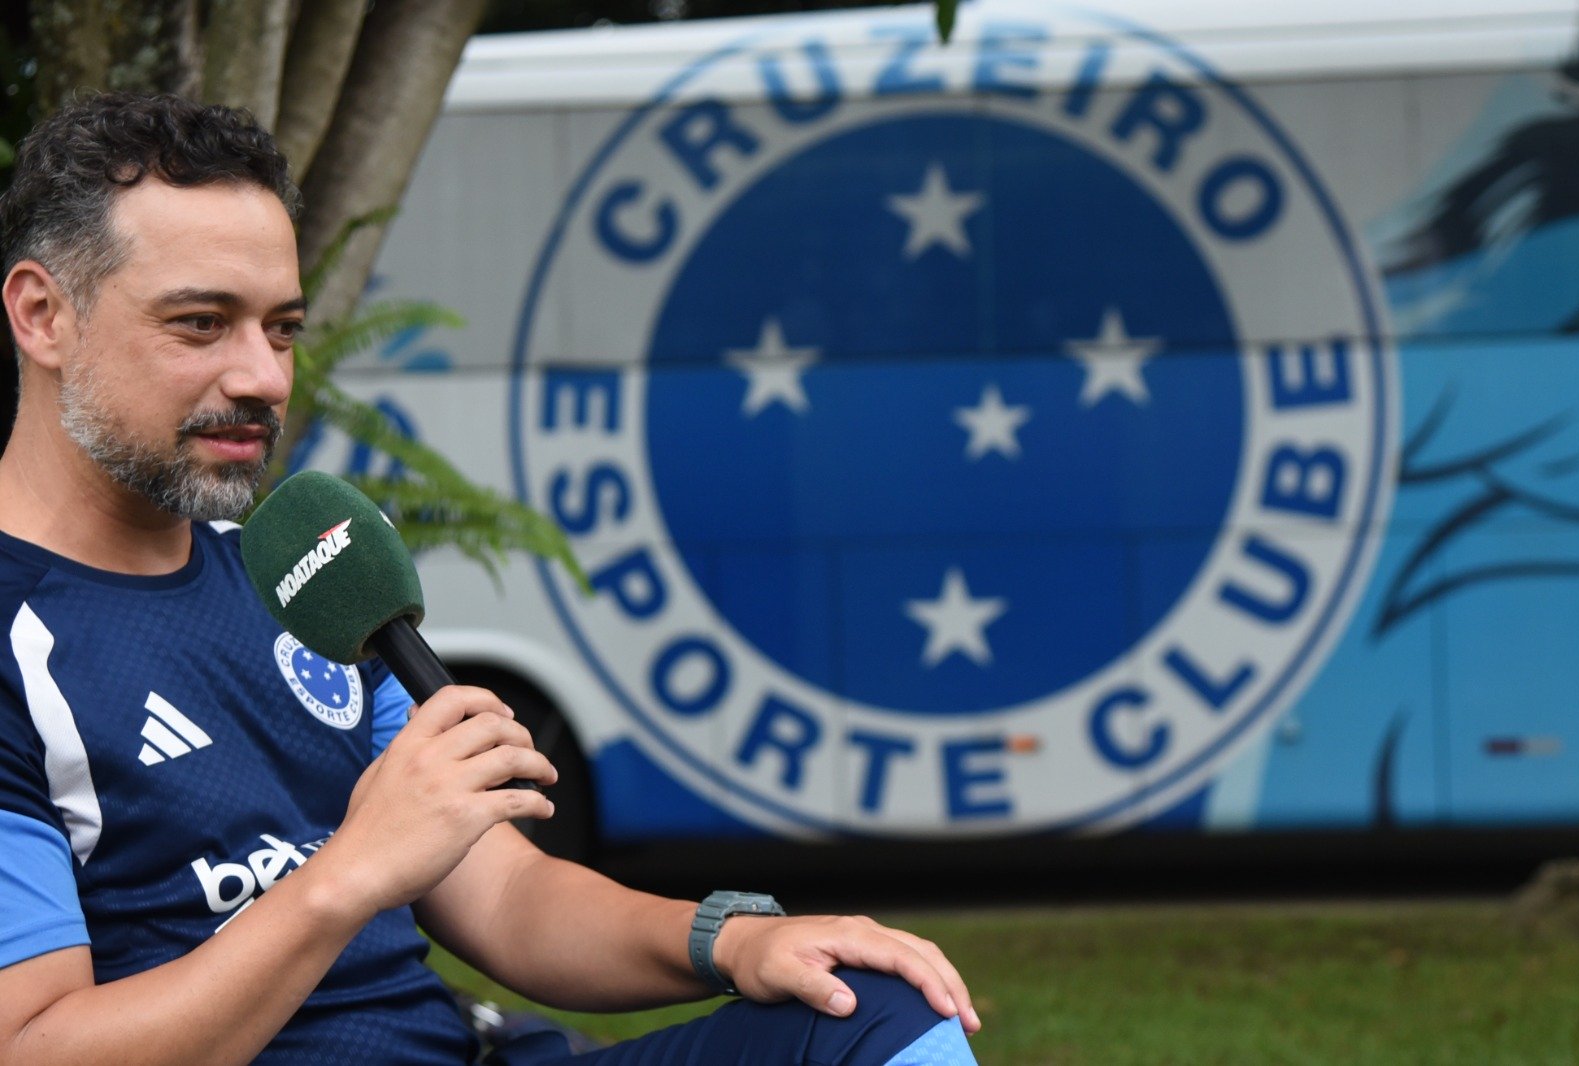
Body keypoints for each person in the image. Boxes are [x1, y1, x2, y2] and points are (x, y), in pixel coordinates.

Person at [0, 93, 981, 1065]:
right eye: (202, 323)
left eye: (283, 329)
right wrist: (347, 874)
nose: (263, 375)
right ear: (44, 315)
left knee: (873, 1011)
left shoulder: (294, 578)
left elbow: (507, 897)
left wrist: (735, 937)